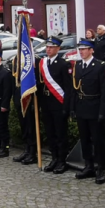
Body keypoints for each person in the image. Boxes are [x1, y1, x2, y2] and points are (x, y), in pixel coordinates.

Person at [71, 39, 105, 184]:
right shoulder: (78, 65)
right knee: (84, 138)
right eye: (80, 49)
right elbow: (74, 90)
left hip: (95, 107)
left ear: (92, 50)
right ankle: (88, 165)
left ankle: (100, 167)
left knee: (98, 139)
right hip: (82, 106)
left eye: (84, 49)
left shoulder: (100, 66)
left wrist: (103, 112)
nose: (81, 51)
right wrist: (73, 108)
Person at [36, 36, 72, 174]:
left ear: (58, 48)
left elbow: (68, 88)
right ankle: (54, 158)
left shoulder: (63, 64)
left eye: (51, 47)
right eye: (47, 47)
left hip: (58, 104)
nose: (48, 49)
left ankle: (62, 160)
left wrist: (66, 107)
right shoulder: (43, 64)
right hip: (46, 104)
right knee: (50, 133)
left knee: (60, 134)